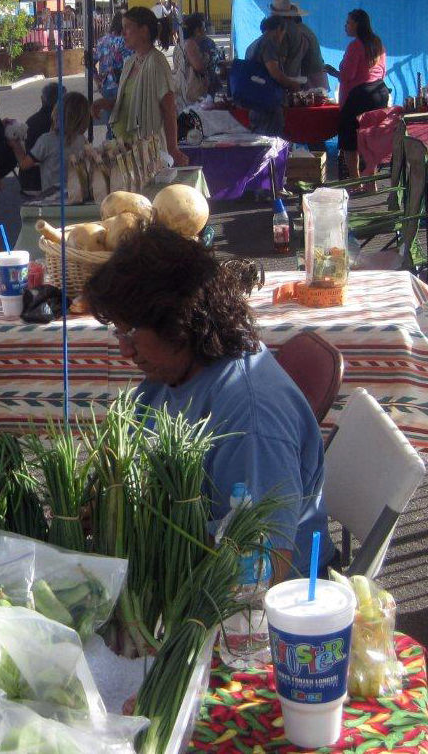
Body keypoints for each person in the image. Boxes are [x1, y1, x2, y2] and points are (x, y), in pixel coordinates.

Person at [83, 225, 333, 580]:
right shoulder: (173, 373)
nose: (124, 350)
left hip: (249, 601)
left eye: (132, 333)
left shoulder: (250, 420)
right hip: (180, 561)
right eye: (119, 333)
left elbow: (264, 570)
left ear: (180, 323)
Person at [92, 6, 189, 167]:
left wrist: (173, 149)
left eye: (127, 28)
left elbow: (169, 109)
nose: (123, 34)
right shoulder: (130, 62)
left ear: (143, 31)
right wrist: (104, 103)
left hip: (149, 150)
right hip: (126, 147)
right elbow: (126, 102)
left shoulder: (157, 62)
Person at [324, 9, 388, 181]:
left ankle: (355, 180)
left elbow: (347, 76)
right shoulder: (377, 43)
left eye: (348, 22)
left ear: (357, 24)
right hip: (379, 92)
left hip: (359, 97)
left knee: (350, 140)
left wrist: (332, 71)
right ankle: (370, 180)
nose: (345, 26)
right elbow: (382, 72)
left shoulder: (355, 46)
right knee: (370, 138)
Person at [10, 91, 90, 195]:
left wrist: (15, 145)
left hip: (53, 196)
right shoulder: (82, 140)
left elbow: (24, 164)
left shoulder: (46, 140)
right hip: (76, 192)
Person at [244, 16, 302, 137]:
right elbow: (274, 72)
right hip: (267, 102)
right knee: (271, 144)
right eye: (283, 33)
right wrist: (292, 84)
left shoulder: (252, 45)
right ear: (278, 29)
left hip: (254, 102)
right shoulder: (269, 42)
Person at [271, 0, 327, 90]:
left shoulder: (295, 33)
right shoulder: (304, 30)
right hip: (316, 79)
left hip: (310, 82)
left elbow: (294, 62)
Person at [93, 10, 133, 128]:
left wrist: (98, 80)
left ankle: (110, 143)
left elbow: (90, 63)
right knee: (123, 125)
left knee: (110, 123)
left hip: (106, 86)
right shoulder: (125, 42)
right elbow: (129, 64)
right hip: (123, 86)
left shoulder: (102, 41)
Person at [18, 83, 60, 195]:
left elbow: (24, 161)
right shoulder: (69, 125)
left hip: (32, 182)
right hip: (56, 183)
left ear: (42, 99)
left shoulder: (31, 122)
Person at [173, 13, 222, 108]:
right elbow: (199, 66)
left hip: (183, 89)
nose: (205, 30)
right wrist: (207, 59)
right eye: (203, 28)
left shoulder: (180, 45)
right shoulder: (190, 44)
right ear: (197, 30)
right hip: (191, 91)